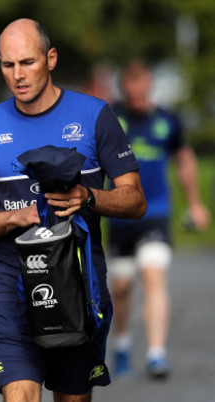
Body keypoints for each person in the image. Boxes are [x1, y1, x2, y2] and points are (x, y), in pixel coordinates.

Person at [0, 19, 146, 402]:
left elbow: (135, 199)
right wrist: (14, 216)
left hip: (79, 288)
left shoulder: (94, 116)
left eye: (27, 62)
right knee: (20, 395)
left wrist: (88, 197)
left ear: (51, 58)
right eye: (8, 65)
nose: (18, 75)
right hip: (13, 293)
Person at [108, 61, 210, 379]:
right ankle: (122, 342)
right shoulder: (112, 118)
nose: (137, 94)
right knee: (122, 286)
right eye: (131, 87)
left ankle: (156, 354)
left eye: (142, 87)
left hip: (156, 213)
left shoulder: (167, 120)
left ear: (149, 86)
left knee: (153, 275)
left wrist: (195, 204)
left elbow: (184, 158)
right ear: (125, 87)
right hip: (121, 216)